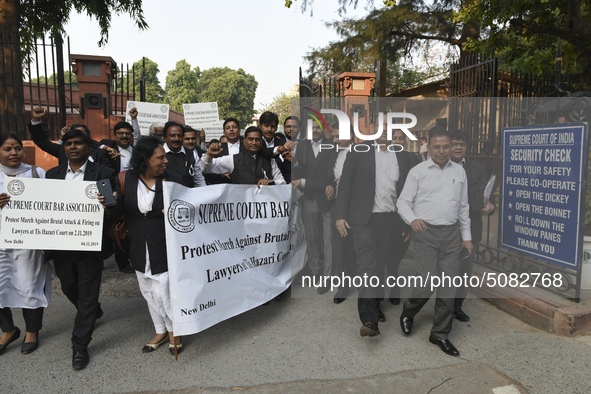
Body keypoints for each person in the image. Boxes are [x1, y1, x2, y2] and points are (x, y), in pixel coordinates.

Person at [396, 127, 472, 357]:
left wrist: (466, 238)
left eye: (445, 146)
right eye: (436, 147)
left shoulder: (459, 171)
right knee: (426, 284)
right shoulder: (418, 172)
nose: (441, 151)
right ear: (428, 148)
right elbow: (402, 203)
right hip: (426, 234)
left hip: (451, 236)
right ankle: (409, 312)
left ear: (451, 147)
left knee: (449, 287)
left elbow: (463, 206)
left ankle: (439, 334)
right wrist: (413, 220)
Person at [104, 137, 184, 356]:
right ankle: (160, 331)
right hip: (138, 245)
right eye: (160, 157)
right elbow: (117, 212)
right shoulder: (126, 179)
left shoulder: (173, 179)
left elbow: (189, 209)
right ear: (144, 160)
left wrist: (175, 213)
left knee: (164, 289)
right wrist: (108, 202)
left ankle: (174, 331)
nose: (165, 161)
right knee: (148, 289)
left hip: (165, 246)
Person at [335, 128, 417, 336]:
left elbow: (411, 192)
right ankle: (369, 320)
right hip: (364, 221)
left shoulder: (404, 157)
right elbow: (345, 185)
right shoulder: (358, 152)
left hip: (391, 220)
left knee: (380, 265)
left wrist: (408, 223)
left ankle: (376, 304)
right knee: (367, 267)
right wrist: (340, 216)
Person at [46, 128, 115, 370]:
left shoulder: (104, 173)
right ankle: (92, 311)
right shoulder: (51, 175)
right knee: (68, 287)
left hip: (90, 246)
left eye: (77, 143)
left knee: (87, 295)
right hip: (62, 246)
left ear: (89, 147)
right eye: (68, 143)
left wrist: (107, 202)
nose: (72, 147)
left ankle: (80, 345)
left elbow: (114, 210)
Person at [0, 133, 51, 355]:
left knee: (29, 284)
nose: (13, 153)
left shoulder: (36, 173)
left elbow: (51, 203)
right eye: (7, 149)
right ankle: (9, 330)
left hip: (27, 243)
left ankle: (32, 331)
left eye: (17, 148)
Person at [449, 129, 495, 322]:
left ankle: (457, 306)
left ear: (466, 147)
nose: (459, 147)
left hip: (471, 229)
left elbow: (483, 198)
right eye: (455, 143)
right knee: (445, 271)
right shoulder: (440, 167)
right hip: (447, 230)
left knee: (463, 271)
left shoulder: (479, 169)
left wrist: (491, 208)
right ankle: (442, 307)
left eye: (462, 144)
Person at [291, 121, 337, 294]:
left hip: (327, 198)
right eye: (312, 128)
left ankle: (327, 277)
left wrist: (304, 182)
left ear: (324, 130)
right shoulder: (301, 146)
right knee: (312, 237)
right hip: (309, 198)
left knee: (328, 240)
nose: (315, 130)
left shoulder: (331, 146)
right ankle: (314, 270)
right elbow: (300, 169)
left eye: (318, 127)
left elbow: (330, 175)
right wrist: (294, 163)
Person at [97, 121, 136, 273]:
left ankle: (127, 259)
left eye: (127, 133)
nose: (124, 136)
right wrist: (107, 148)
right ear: (115, 135)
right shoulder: (108, 148)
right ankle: (114, 259)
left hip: (133, 192)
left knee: (129, 227)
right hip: (115, 192)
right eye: (121, 133)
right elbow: (92, 144)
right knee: (116, 226)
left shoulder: (136, 150)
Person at [28, 107, 113, 167]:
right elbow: (41, 141)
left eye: (81, 135)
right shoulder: (63, 151)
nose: (77, 138)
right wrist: (36, 120)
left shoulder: (99, 153)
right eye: (74, 134)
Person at [201, 126, 286, 186]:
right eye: (250, 139)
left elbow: (282, 183)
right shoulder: (232, 160)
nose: (254, 143)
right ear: (244, 141)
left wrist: (269, 182)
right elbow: (205, 169)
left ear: (261, 142)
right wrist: (209, 155)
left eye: (257, 140)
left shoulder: (269, 160)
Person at [162, 121, 206, 188]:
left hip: (188, 196)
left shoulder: (192, 153)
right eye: (172, 135)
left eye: (179, 136)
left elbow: (199, 179)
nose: (176, 139)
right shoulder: (158, 153)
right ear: (165, 137)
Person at [259, 111, 292, 183]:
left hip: (280, 186)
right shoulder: (256, 143)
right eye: (266, 126)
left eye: (272, 126)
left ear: (276, 128)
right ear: (260, 126)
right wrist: (280, 149)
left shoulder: (283, 143)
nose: (269, 129)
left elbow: (287, 170)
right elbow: (264, 152)